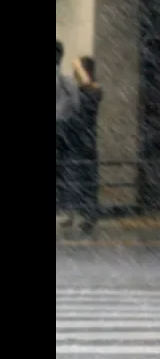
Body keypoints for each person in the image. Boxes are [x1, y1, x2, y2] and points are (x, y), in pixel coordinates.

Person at [71, 56, 103, 233]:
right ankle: (79, 213)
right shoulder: (81, 91)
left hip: (85, 142)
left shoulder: (94, 91)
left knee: (87, 179)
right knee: (78, 178)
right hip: (78, 140)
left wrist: (79, 68)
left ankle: (90, 215)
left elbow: (88, 84)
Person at [56, 40, 81, 225]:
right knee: (66, 170)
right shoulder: (68, 81)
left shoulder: (64, 81)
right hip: (64, 128)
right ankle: (68, 210)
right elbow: (76, 105)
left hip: (61, 127)